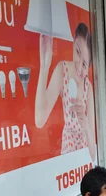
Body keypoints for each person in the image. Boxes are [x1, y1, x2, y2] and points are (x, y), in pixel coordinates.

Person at [35, 23, 96, 159]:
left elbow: (93, 154)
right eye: (78, 52)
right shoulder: (63, 70)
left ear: (90, 66)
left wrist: (85, 123)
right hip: (68, 155)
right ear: (73, 44)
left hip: (85, 157)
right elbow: (39, 120)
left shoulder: (88, 87)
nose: (79, 66)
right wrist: (44, 67)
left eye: (85, 64)